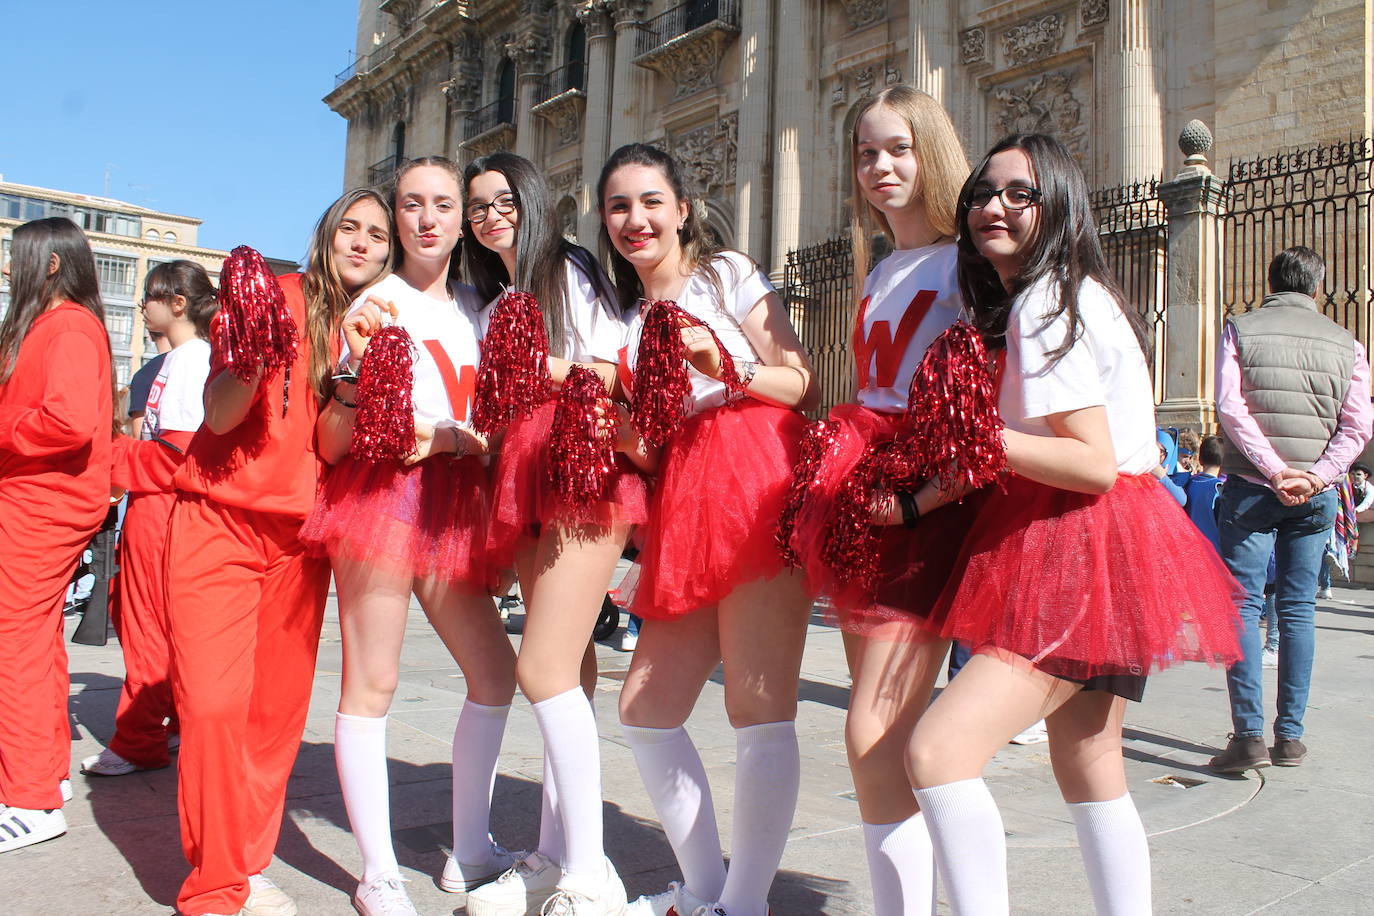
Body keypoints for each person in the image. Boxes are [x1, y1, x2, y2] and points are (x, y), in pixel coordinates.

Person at [903, 133, 1243, 915]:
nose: (994, 206)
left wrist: (976, 436)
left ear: (1058, 205)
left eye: (1020, 194)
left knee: (939, 751)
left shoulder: (1048, 302)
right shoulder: (1074, 293)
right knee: (1090, 760)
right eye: (983, 193)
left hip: (1077, 541)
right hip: (1113, 540)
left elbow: (1090, 462)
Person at [776, 85, 986, 915]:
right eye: (866, 152)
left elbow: (984, 403)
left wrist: (922, 502)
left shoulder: (965, 261)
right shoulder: (882, 265)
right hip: (865, 496)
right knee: (883, 743)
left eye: (897, 147)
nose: (880, 166)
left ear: (930, 150)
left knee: (874, 733)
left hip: (922, 503)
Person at [600, 143, 818, 916]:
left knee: (757, 704)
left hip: (755, 472)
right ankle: (703, 889)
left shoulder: (725, 274)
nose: (636, 219)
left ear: (682, 209)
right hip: (687, 497)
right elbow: (657, 444)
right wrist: (625, 439)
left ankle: (743, 903)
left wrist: (722, 361)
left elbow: (798, 379)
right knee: (644, 711)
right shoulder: (625, 322)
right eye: (620, 205)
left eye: (651, 201)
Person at [164, 188, 391, 916]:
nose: (362, 243)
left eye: (376, 236)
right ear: (326, 234)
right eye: (350, 227)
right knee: (211, 706)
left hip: (300, 541)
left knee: (274, 715)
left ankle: (246, 863)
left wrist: (355, 376)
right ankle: (214, 885)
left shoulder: (373, 327)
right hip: (216, 521)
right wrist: (256, 359)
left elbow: (328, 444)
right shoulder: (270, 297)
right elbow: (221, 415)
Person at [302, 159, 518, 916]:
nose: (428, 219)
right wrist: (358, 376)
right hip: (385, 495)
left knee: (495, 674)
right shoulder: (372, 305)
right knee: (375, 680)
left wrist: (465, 443)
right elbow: (335, 438)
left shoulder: (478, 304)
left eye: (443, 205)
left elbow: (493, 422)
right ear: (396, 217)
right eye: (411, 205)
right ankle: (378, 871)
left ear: (464, 219)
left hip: (456, 500)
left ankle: (473, 848)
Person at [460, 152, 645, 916]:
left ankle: (591, 872)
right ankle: (553, 852)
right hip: (526, 471)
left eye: (504, 200)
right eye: (479, 207)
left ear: (532, 200)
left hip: (578, 464)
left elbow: (610, 370)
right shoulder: (500, 291)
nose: (490, 215)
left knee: (541, 667)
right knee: (565, 667)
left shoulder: (566, 268)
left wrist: (530, 364)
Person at [1210, 245, 1373, 773]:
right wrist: (1318, 475)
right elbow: (1357, 427)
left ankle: (1248, 736)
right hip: (1315, 493)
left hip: (1253, 487)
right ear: (1318, 288)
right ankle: (1291, 739)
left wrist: (1272, 468)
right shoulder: (1348, 344)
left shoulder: (1241, 329)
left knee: (1242, 606)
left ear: (1271, 280)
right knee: (1299, 609)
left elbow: (1230, 407)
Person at [0, 217, 112, 852]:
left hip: (40, 501)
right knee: (34, 644)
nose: (10, 268)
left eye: (18, 257)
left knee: (14, 646)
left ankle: (31, 798)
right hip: (43, 498)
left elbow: (66, 422)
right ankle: (39, 779)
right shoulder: (66, 324)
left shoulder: (65, 324)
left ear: (49, 263)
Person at [83, 261, 218, 778]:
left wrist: (108, 454)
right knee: (158, 626)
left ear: (177, 302)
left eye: (149, 297)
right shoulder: (187, 358)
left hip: (159, 508)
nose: (142, 307)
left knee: (147, 630)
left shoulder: (191, 360)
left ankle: (139, 739)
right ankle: (172, 725)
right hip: (157, 505)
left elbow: (177, 456)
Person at [1183, 435, 1225, 550]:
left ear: (1200, 460)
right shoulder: (1219, 488)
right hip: (1214, 551)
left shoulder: (1188, 482)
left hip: (1191, 548)